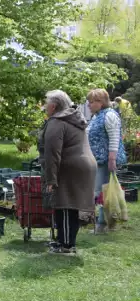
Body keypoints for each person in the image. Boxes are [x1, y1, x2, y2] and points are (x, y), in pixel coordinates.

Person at [39, 90, 96, 254]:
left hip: (70, 166)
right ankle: (66, 242)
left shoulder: (57, 122)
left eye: (46, 103)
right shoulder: (74, 118)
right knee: (72, 207)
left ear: (54, 105)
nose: (44, 107)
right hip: (83, 165)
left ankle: (65, 245)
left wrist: (51, 180)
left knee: (63, 204)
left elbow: (52, 154)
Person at [86, 89, 127, 233]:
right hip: (96, 160)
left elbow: (115, 138)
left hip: (105, 160)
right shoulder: (97, 116)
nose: (89, 105)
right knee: (101, 191)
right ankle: (104, 222)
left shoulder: (109, 115)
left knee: (102, 192)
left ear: (100, 102)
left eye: (91, 102)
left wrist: (112, 159)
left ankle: (102, 224)